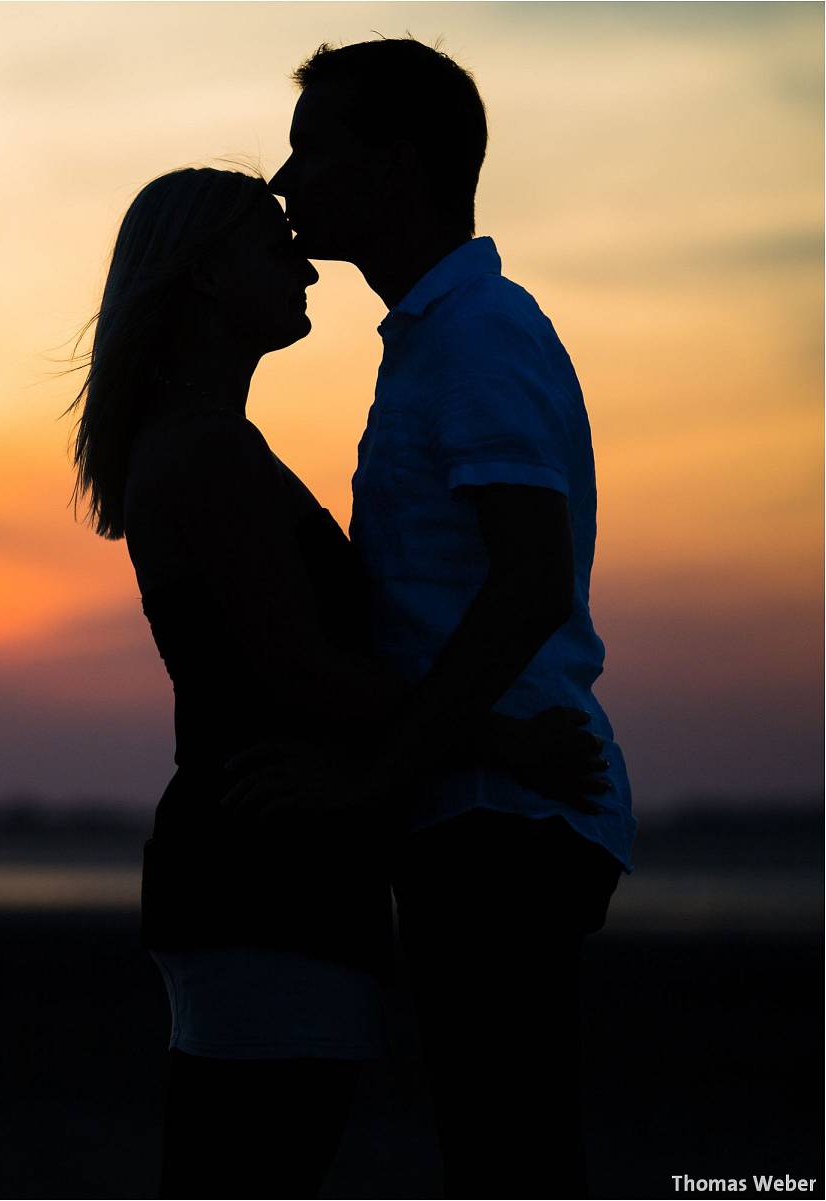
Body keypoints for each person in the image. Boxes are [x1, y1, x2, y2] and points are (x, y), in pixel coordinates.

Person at [64, 166, 608, 1199]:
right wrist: (509, 740)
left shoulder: (206, 447)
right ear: (210, 279)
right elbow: (300, 673)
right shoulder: (204, 455)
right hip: (264, 858)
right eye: (275, 246)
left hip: (269, 857)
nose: (304, 260)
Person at [266, 36, 639, 1197]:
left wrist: (382, 775)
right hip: (478, 803)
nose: (286, 181)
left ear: (398, 163)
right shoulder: (436, 338)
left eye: (311, 149)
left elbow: (530, 579)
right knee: (497, 1147)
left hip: (505, 814)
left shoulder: (478, 335)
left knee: (511, 1154)